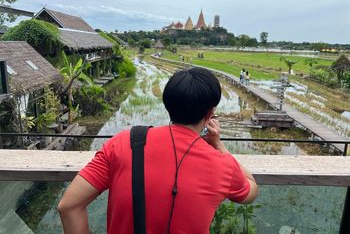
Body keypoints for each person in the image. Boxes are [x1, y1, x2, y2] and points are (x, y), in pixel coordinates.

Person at [57, 67, 258, 234]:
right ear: (210, 113)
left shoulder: (123, 142)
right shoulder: (222, 164)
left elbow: (69, 206)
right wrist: (219, 146)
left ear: (167, 103)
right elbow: (250, 191)